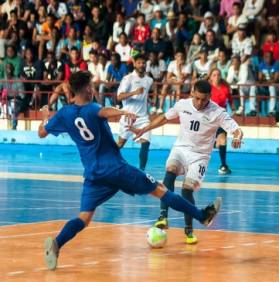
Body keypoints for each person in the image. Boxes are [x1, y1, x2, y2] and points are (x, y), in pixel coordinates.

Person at [38, 71, 222, 271]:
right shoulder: (92, 109)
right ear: (88, 89)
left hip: (93, 174)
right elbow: (103, 112)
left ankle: (57, 244)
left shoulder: (64, 114)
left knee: (84, 217)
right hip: (116, 168)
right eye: (91, 87)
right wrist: (123, 113)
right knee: (160, 189)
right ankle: (202, 216)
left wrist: (45, 117)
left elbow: (41, 132)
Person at [130, 80, 243, 244]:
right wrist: (144, 129)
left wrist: (238, 137)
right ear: (192, 93)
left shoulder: (217, 112)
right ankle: (163, 216)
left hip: (200, 157)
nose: (200, 103)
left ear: (209, 97)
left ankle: (189, 230)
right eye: (197, 98)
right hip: (181, 149)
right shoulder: (183, 104)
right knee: (170, 170)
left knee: (187, 190)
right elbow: (164, 118)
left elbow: (236, 129)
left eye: (204, 100)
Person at [116, 55, 153, 171]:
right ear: (135, 64)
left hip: (142, 118)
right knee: (120, 144)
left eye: (143, 63)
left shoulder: (149, 80)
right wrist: (134, 92)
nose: (142, 65)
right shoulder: (128, 79)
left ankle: (142, 170)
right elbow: (119, 97)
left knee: (146, 142)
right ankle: (105, 160)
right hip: (128, 116)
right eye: (139, 63)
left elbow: (145, 95)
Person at [209, 68, 236, 175]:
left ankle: (223, 165)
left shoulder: (225, 88)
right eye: (214, 75)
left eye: (218, 75)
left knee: (223, 140)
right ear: (210, 77)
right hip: (209, 119)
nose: (216, 77)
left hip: (222, 119)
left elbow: (231, 101)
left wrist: (234, 110)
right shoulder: (208, 88)